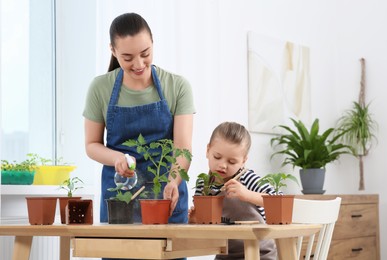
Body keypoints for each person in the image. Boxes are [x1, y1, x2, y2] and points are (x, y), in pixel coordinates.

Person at [83, 12, 194, 233]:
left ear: (153, 43)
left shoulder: (178, 86)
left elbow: (183, 147)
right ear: (113, 51)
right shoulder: (100, 88)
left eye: (145, 53)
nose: (139, 63)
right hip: (120, 194)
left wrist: (173, 182)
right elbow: (91, 145)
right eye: (127, 57)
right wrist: (117, 158)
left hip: (165, 194)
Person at [189, 122, 278, 260]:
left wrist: (247, 194)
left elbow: (278, 201)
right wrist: (195, 220)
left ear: (243, 161)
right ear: (208, 150)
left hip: (260, 254)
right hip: (225, 255)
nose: (223, 165)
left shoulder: (248, 179)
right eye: (217, 157)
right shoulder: (204, 185)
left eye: (232, 162)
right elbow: (206, 231)